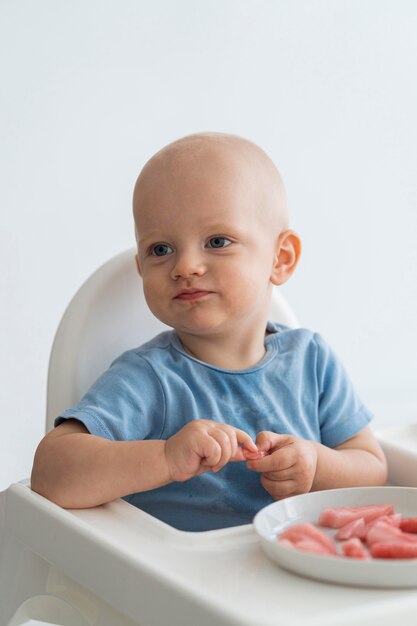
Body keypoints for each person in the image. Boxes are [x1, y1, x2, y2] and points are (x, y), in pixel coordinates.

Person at [31, 132, 387, 532]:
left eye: (217, 241)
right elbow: (51, 472)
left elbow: (372, 469)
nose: (185, 266)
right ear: (141, 269)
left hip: (296, 573)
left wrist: (317, 465)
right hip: (181, 586)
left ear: (280, 259)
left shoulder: (312, 361)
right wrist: (165, 458)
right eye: (160, 249)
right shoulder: (148, 378)